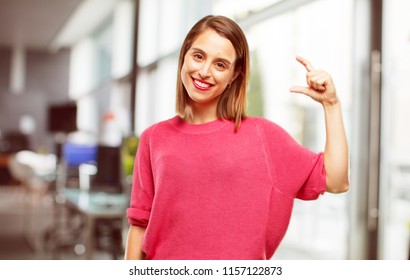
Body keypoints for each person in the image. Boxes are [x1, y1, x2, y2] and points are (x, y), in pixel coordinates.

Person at [124, 15, 349, 260]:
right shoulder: (153, 138)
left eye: (220, 64)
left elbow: (336, 181)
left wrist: (331, 105)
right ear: (185, 56)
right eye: (198, 56)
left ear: (234, 75)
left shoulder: (262, 137)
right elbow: (139, 224)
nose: (204, 71)